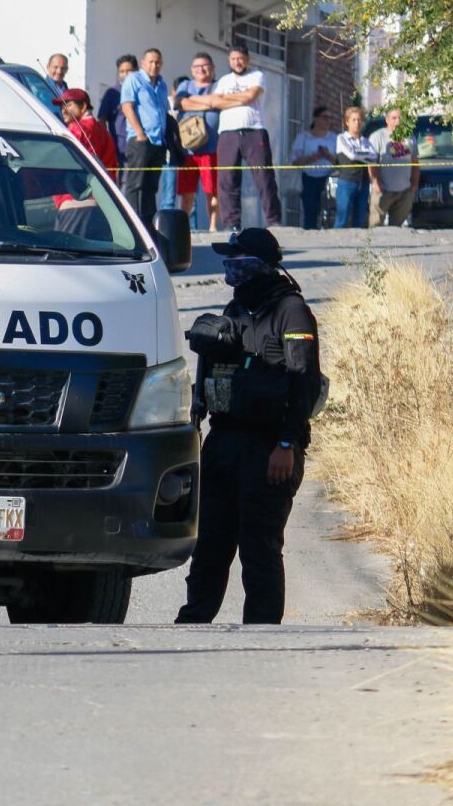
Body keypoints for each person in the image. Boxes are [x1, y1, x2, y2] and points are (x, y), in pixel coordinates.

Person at [177, 228, 321, 624]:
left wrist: (287, 444)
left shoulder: (292, 311)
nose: (230, 269)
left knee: (259, 548)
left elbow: (304, 381)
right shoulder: (235, 309)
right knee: (210, 545)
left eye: (238, 262)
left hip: (269, 447)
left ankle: (262, 634)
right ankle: (192, 624)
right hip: (224, 442)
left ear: (260, 266)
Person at [213, 45, 281, 230]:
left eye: (240, 58)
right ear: (229, 61)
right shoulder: (223, 81)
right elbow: (216, 102)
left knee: (264, 177)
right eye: (233, 59)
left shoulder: (257, 76)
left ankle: (273, 220)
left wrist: (230, 99)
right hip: (228, 132)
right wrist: (239, 98)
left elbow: (251, 96)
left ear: (247, 59)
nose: (237, 62)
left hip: (253, 130)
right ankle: (231, 223)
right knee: (227, 179)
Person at [119, 48, 168, 228]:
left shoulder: (162, 84)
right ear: (143, 63)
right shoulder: (134, 79)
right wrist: (140, 133)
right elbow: (127, 107)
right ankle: (132, 225)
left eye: (158, 62)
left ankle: (149, 225)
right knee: (134, 184)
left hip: (158, 141)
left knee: (151, 186)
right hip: (141, 140)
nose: (154, 65)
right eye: (151, 62)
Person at [174, 53, 223, 230]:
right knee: (186, 192)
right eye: (196, 67)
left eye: (205, 65)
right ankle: (182, 227)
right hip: (188, 149)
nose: (201, 69)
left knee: (212, 190)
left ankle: (212, 226)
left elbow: (219, 101)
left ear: (213, 68)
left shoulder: (218, 86)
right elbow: (180, 103)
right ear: (191, 70)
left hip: (211, 148)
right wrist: (208, 103)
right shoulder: (185, 85)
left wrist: (193, 101)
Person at [368, 108, 419, 227]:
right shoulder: (377, 136)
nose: (398, 121)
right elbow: (371, 163)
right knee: (375, 225)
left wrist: (414, 184)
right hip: (383, 190)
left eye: (400, 118)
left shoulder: (410, 137)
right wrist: (375, 182)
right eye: (394, 118)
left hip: (404, 191)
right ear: (387, 120)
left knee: (397, 227)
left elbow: (415, 163)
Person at [55, 87, 119, 179]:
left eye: (68, 105)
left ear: (84, 106)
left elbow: (63, 161)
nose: (63, 111)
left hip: (79, 188)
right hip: (103, 188)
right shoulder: (102, 129)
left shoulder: (76, 128)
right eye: (62, 106)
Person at [290, 106, 337, 230]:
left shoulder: (334, 138)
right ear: (315, 118)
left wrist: (327, 155)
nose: (328, 121)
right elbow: (295, 161)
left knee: (329, 210)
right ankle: (310, 233)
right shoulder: (303, 137)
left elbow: (340, 161)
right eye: (324, 117)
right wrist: (314, 156)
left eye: (330, 118)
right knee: (311, 209)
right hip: (309, 178)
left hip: (329, 179)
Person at [333, 106, 376, 229]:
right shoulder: (341, 138)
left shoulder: (365, 141)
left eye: (359, 120)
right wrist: (365, 155)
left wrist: (360, 155)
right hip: (347, 182)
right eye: (354, 120)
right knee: (342, 217)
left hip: (363, 183)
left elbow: (373, 156)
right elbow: (351, 155)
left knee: (360, 217)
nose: (357, 123)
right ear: (347, 122)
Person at [97, 54, 139, 171]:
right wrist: (106, 141)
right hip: (120, 145)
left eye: (129, 71)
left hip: (141, 143)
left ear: (136, 70)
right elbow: (102, 119)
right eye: (122, 71)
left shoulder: (143, 91)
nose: (125, 74)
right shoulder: (112, 93)